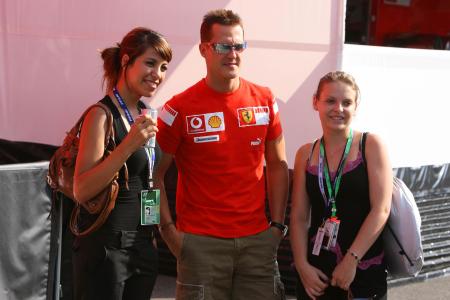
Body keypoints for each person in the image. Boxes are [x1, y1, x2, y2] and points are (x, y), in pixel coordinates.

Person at [154, 9, 289, 300]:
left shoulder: (265, 100)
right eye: (223, 46)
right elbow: (151, 178)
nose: (233, 54)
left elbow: (278, 165)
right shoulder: (177, 109)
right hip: (200, 247)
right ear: (204, 49)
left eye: (239, 45)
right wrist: (165, 230)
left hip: (258, 243)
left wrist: (277, 226)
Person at [72, 27, 172, 300]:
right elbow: (82, 189)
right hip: (106, 249)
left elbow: (150, 176)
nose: (158, 74)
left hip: (142, 247)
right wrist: (128, 146)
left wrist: (160, 231)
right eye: (150, 63)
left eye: (163, 67)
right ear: (126, 61)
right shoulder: (100, 114)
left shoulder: (144, 113)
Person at [290, 71, 393, 299]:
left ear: (356, 107)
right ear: (315, 102)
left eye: (347, 102)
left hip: (362, 272)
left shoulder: (371, 145)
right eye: (330, 101)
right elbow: (298, 216)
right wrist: (302, 266)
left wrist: (351, 261)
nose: (339, 109)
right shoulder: (305, 154)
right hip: (315, 277)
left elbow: (381, 210)